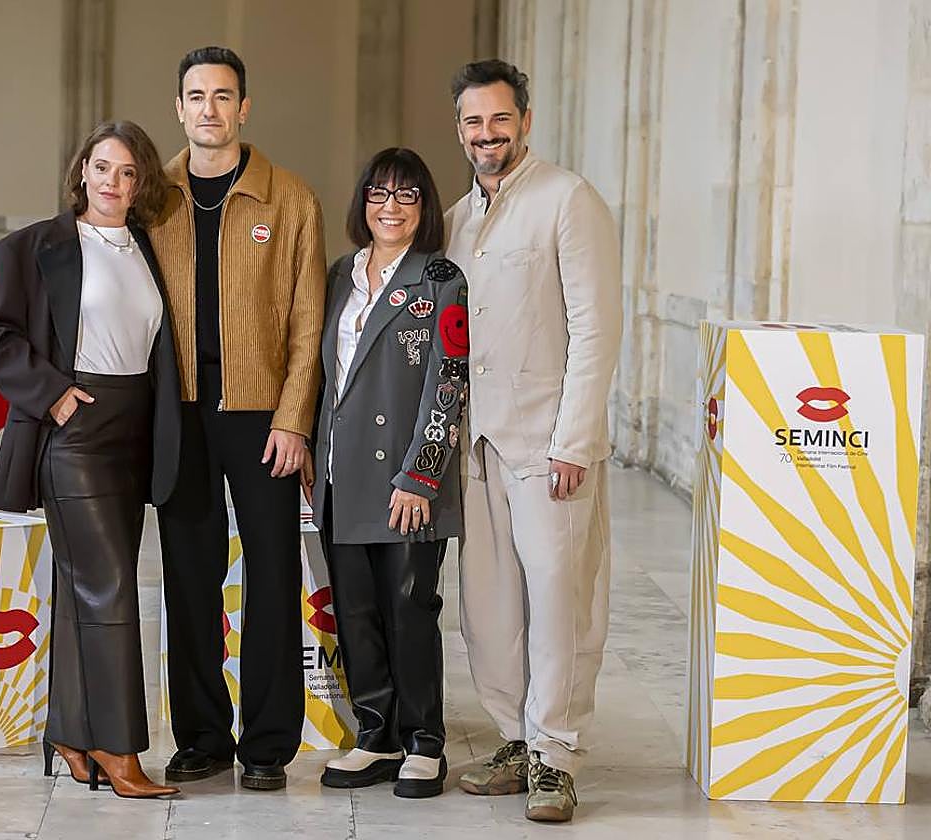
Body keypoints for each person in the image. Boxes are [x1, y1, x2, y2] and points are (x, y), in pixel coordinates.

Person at [0, 121, 182, 799]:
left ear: (141, 182)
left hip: (136, 431)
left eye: (127, 172)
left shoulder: (151, 248)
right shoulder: (33, 247)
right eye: (102, 167)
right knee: (112, 586)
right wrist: (55, 396)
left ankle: (70, 732)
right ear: (82, 171)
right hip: (76, 432)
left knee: (84, 587)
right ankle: (119, 751)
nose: (112, 183)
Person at [444, 59, 622, 822]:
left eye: (499, 119)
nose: (487, 134)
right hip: (477, 446)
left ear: (525, 120)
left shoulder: (568, 200)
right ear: (459, 129)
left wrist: (574, 440)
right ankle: (516, 739)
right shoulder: (455, 218)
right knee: (489, 609)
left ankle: (556, 755)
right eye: (473, 122)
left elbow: (596, 329)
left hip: (549, 444)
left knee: (558, 603)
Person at [147, 46, 326, 791]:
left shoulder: (290, 199)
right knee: (189, 576)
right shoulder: (152, 198)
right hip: (180, 414)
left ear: (244, 108)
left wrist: (294, 419)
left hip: (262, 416)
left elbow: (309, 323)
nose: (209, 110)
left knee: (274, 575)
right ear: (179, 108)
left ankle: (268, 745)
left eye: (223, 97)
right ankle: (201, 737)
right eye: (196, 97)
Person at [305, 148, 467, 799]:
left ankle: (424, 741)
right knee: (356, 612)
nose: (390, 207)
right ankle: (376, 736)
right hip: (341, 474)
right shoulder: (339, 275)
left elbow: (448, 383)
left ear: (424, 206)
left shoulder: (441, 278)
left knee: (408, 609)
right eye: (378, 193)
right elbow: (326, 376)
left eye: (406, 195)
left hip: (406, 479)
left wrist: (421, 475)